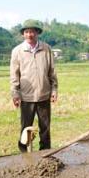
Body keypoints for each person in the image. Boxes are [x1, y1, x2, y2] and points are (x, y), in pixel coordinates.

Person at [10, 19, 58, 152]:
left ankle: (45, 153)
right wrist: (15, 93)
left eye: (32, 31)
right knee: (25, 128)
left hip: (44, 95)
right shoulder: (17, 51)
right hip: (26, 97)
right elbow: (14, 75)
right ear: (23, 34)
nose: (29, 34)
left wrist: (54, 90)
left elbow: (52, 71)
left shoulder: (46, 49)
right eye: (26, 32)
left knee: (45, 127)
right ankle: (24, 153)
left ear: (37, 33)